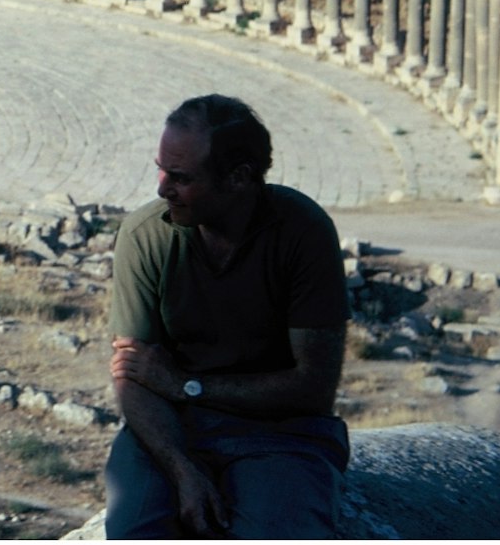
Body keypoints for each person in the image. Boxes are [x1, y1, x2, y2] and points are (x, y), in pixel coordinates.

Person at [106, 96, 349, 539]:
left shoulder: (303, 232)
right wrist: (183, 472)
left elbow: (313, 387)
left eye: (181, 177)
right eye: (160, 169)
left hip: (280, 435)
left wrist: (185, 385)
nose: (162, 188)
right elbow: (134, 374)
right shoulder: (147, 235)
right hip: (168, 431)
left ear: (239, 178)